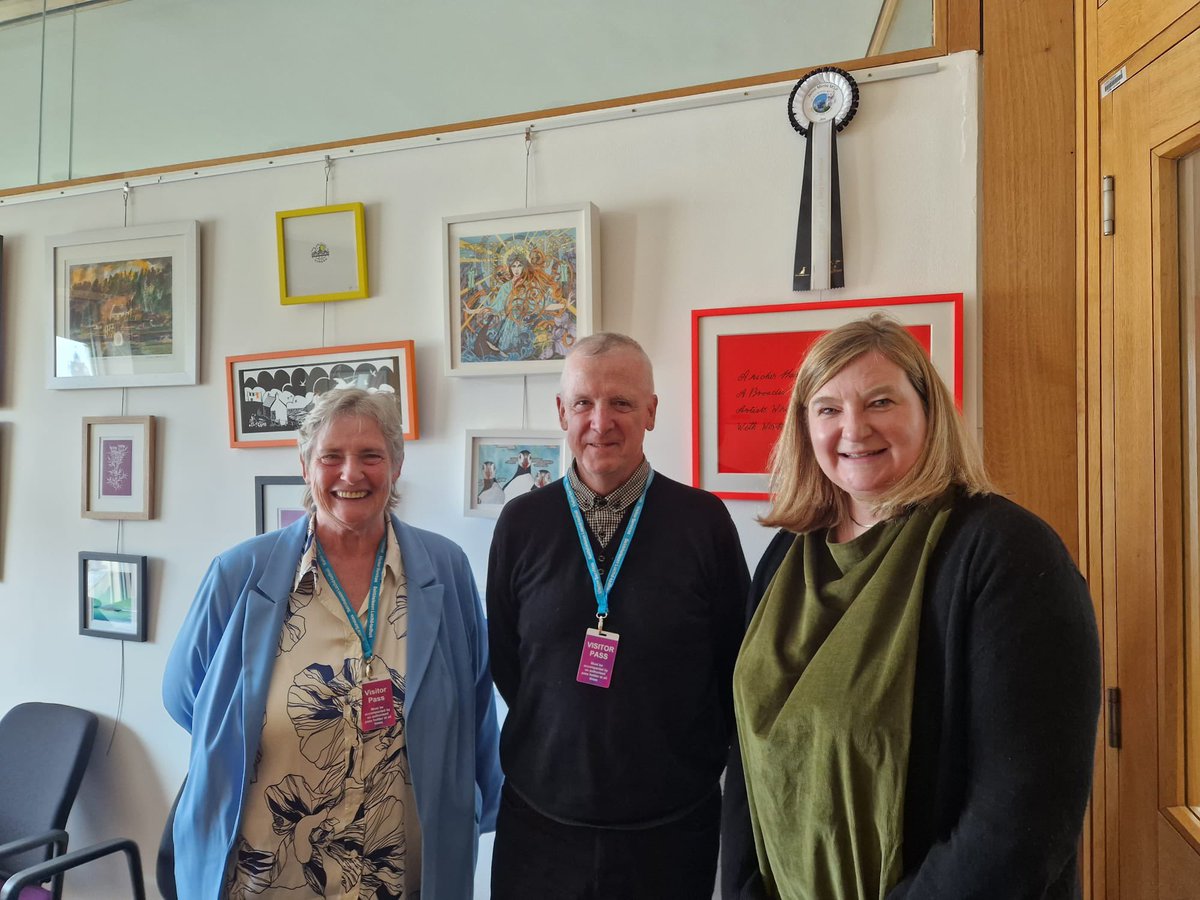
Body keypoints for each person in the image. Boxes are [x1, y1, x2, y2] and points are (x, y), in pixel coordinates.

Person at [721, 315, 1100, 900]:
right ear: (804, 427)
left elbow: (1021, 825)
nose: (854, 428)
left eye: (880, 401)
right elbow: (749, 754)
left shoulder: (1007, 554)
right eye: (827, 409)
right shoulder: (784, 556)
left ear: (929, 411)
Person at [163, 388, 502, 900]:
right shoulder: (239, 573)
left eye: (371, 455)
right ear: (306, 467)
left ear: (397, 465)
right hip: (268, 873)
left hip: (400, 870)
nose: (351, 474)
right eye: (331, 457)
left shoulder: (445, 569)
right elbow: (187, 696)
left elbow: (475, 706)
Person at [487, 332, 750, 900]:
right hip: (540, 823)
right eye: (583, 402)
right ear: (562, 411)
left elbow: (735, 664)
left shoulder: (704, 523)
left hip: (671, 827)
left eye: (622, 403)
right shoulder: (521, 523)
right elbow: (510, 661)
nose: (600, 421)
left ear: (652, 411)